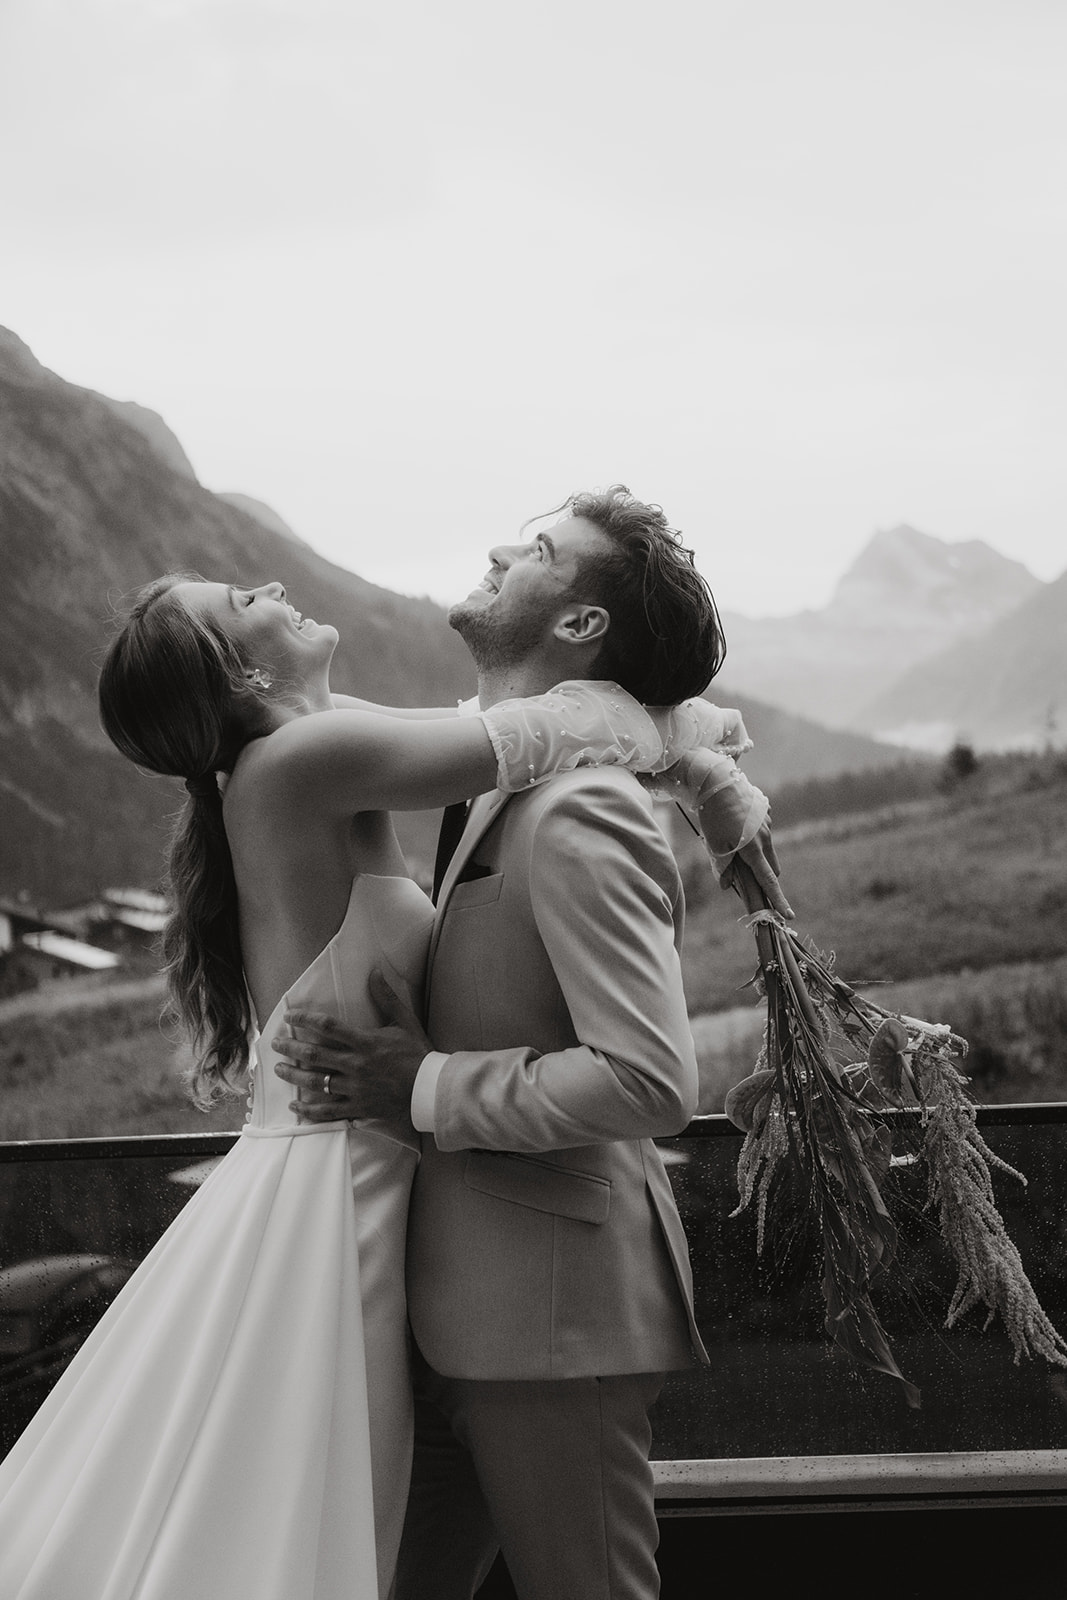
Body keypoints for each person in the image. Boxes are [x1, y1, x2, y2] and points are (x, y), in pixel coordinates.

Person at [0, 555, 772, 1600]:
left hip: (379, 1174)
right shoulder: (303, 758)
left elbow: (510, 725)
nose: (269, 588)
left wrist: (697, 761)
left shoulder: (315, 740)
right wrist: (709, 754)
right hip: (336, 1188)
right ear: (238, 672)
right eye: (242, 604)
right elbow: (534, 733)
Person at [273, 487, 789, 1600]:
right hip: (445, 1314)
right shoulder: (506, 774)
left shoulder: (584, 808)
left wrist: (419, 1083)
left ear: (580, 625)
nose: (504, 548)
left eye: (540, 550)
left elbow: (649, 1077)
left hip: (556, 1323)